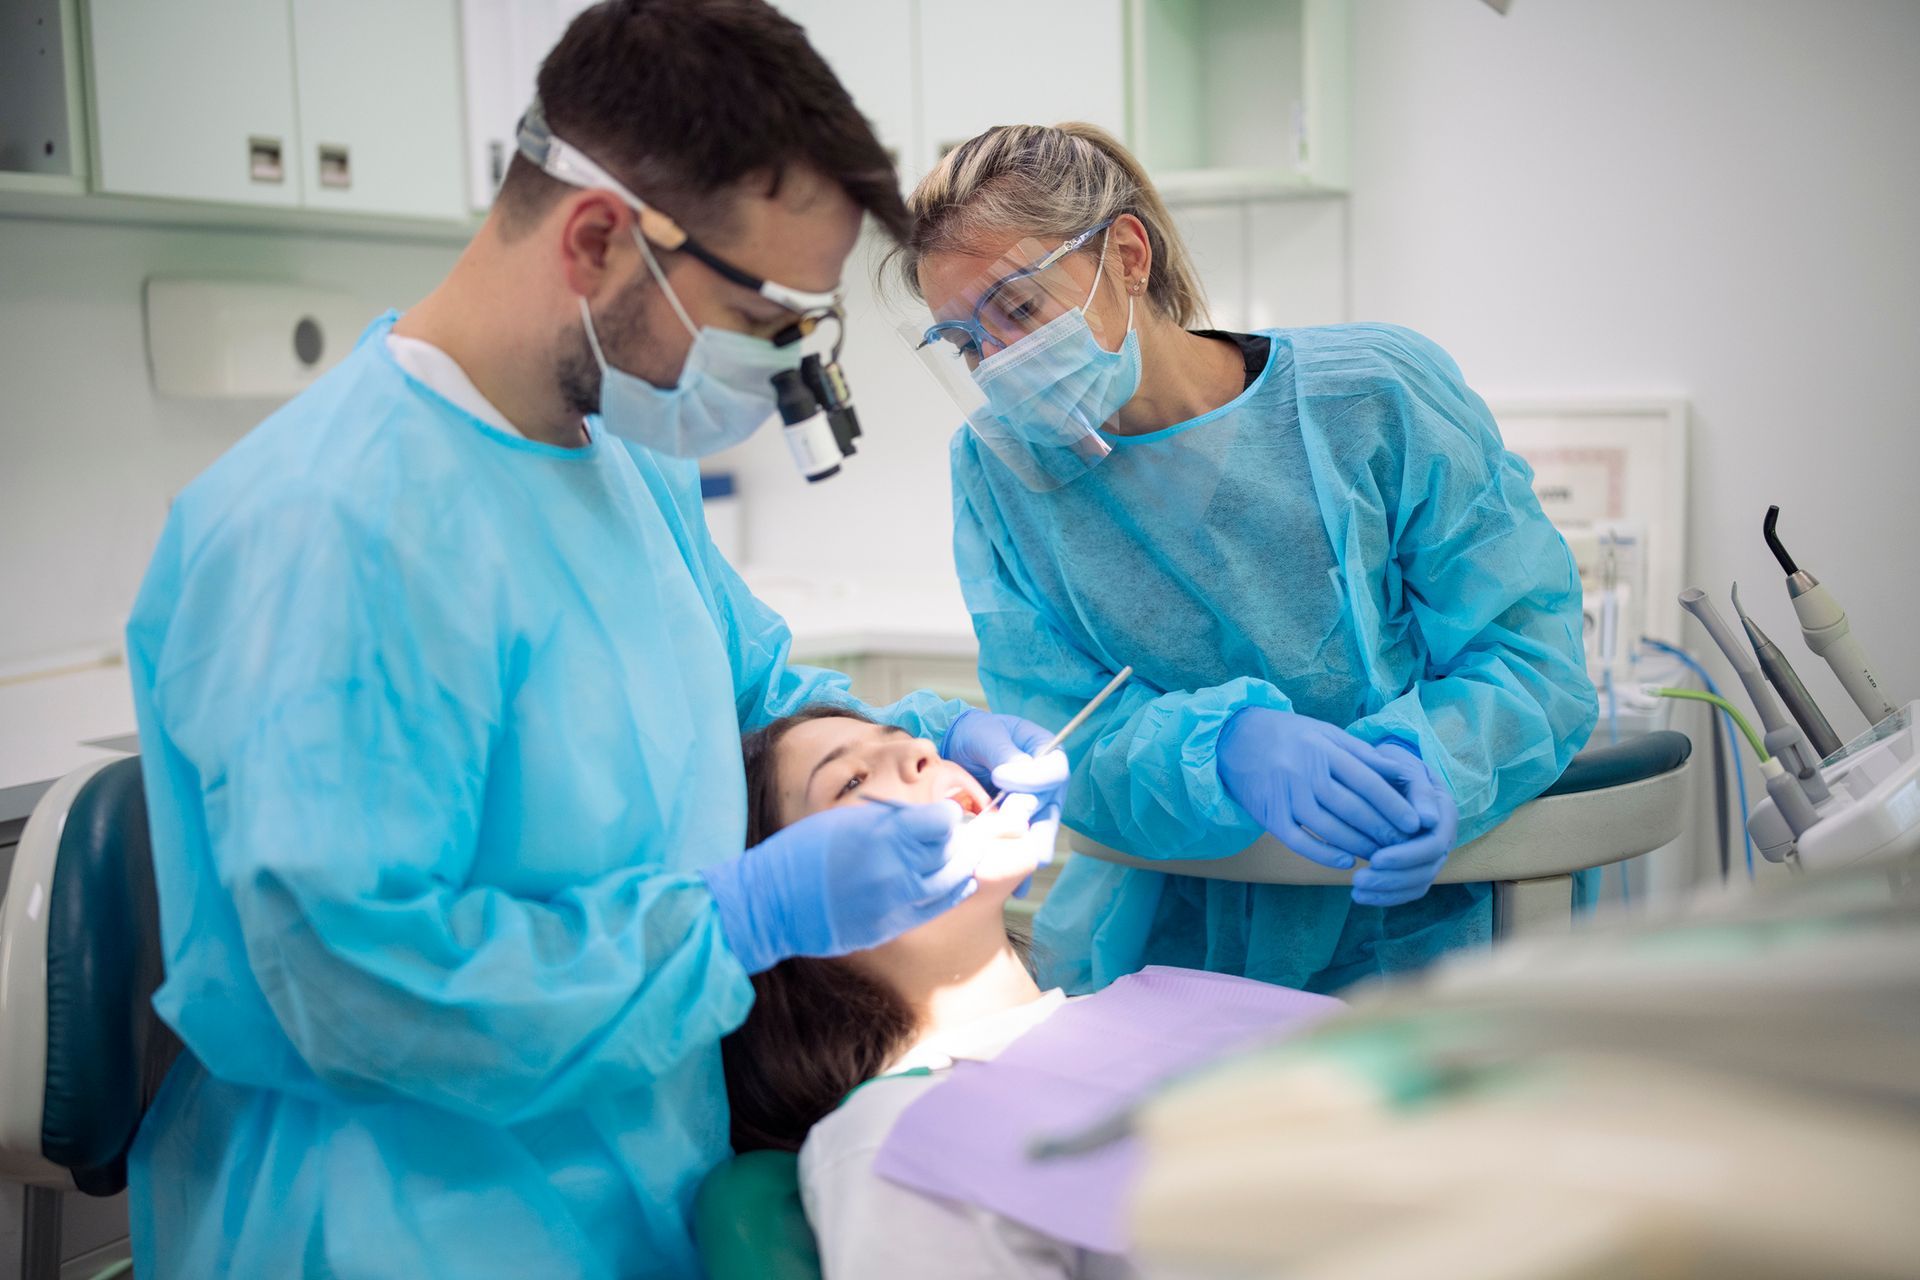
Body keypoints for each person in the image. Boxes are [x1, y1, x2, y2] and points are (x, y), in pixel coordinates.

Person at [121, 5, 1064, 1277]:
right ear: (601, 238)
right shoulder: (330, 533)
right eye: (769, 315)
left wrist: (934, 735)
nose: (788, 365)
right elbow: (365, 991)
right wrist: (739, 919)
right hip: (419, 1217)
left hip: (637, 1174)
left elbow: (750, 692)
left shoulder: (620, 455)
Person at [893, 123, 1597, 997]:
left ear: (1126, 254)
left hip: (1427, 935)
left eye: (1019, 310)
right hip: (1172, 950)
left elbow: (1533, 658)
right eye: (965, 343)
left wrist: (1432, 764)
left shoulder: (1369, 394)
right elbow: (1062, 733)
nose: (997, 362)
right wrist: (1222, 749)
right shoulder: (1001, 474)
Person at [721, 707, 1128, 1280]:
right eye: (851, 782)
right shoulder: (899, 1139)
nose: (920, 748)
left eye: (912, 741)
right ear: (792, 916)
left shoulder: (1146, 1009)